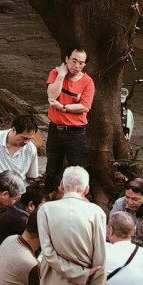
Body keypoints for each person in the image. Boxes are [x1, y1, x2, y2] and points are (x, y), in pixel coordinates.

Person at [44, 48, 95, 194]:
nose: (77, 66)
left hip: (75, 133)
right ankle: (47, 197)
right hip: (55, 129)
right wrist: (61, 75)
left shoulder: (87, 82)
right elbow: (52, 94)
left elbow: (85, 106)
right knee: (51, 168)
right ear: (67, 59)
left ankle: (81, 199)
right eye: (74, 61)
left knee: (78, 171)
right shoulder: (55, 73)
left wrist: (63, 107)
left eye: (81, 63)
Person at [109, 177, 143, 247]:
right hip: (123, 248)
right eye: (127, 197)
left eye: (135, 199)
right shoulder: (119, 204)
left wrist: (140, 253)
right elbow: (110, 230)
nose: (129, 202)